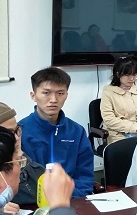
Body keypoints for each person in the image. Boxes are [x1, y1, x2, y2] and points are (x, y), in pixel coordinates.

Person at [19, 67, 94, 197]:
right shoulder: (20, 132)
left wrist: (68, 197)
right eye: (46, 93)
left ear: (66, 95)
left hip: (72, 199)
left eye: (60, 93)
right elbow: (17, 180)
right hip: (33, 202)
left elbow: (85, 176)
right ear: (33, 96)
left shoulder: (76, 131)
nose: (53, 100)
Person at [100, 57, 137, 144]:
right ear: (118, 74)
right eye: (128, 75)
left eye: (135, 75)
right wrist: (134, 127)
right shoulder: (108, 92)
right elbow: (109, 120)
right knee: (133, 148)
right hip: (118, 134)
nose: (132, 78)